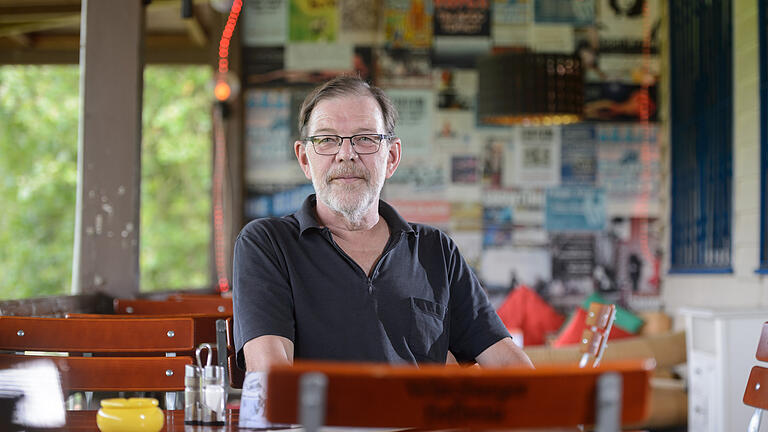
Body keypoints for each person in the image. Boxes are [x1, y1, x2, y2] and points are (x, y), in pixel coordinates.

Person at [233, 76, 533, 372]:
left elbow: (509, 365)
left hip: (420, 421)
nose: (346, 154)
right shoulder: (267, 244)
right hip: (318, 422)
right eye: (326, 139)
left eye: (365, 138)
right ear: (304, 160)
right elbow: (270, 376)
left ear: (391, 157)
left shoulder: (435, 250)